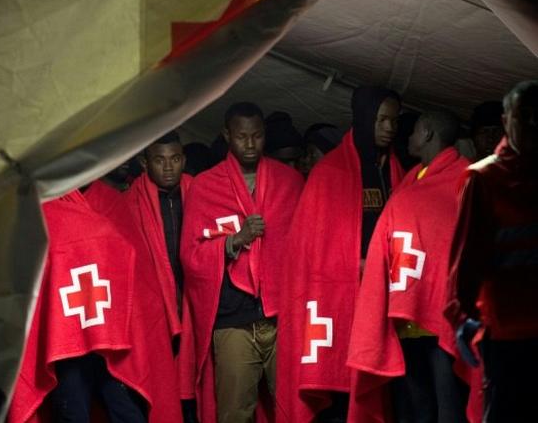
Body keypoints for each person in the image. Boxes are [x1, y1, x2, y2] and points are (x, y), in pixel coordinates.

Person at [276, 86, 404, 423]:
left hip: (382, 297)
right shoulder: (329, 174)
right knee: (337, 388)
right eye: (381, 119)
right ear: (364, 119)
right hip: (335, 301)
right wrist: (357, 265)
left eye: (394, 120)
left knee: (377, 384)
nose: (389, 127)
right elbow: (310, 251)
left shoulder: (395, 171)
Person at [9, 191, 180, 423]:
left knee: (122, 411)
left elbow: (131, 266)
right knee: (77, 413)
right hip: (72, 341)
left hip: (100, 338)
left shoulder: (108, 203)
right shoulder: (40, 214)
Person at [180, 102, 304, 423]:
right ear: (226, 136)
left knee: (294, 409)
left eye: (257, 136)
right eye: (241, 137)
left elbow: (305, 249)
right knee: (235, 414)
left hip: (282, 319)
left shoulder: (289, 182)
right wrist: (234, 240)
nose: (250, 145)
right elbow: (190, 257)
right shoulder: (205, 187)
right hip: (232, 321)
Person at [346, 111, 472, 423]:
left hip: (443, 318)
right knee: (416, 410)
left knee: (449, 408)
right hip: (407, 319)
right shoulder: (412, 179)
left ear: (428, 133)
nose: (408, 137)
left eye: (414, 130)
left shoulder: (465, 178)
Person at [446, 80, 538, 422]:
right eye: (523, 115)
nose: (532, 124)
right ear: (506, 120)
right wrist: (462, 316)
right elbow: (465, 258)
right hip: (506, 333)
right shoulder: (483, 179)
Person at [109, 131, 198, 422]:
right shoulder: (128, 203)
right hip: (155, 312)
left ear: (184, 159)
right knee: (163, 384)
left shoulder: (200, 192)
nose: (168, 167)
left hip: (196, 304)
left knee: (199, 385)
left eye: (174, 159)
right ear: (145, 163)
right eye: (159, 160)